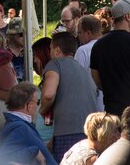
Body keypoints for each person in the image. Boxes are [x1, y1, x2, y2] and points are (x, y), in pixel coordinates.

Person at [40, 32, 98, 163]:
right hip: (91, 132)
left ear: (57, 50)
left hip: (68, 133)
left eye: (50, 49)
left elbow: (48, 94)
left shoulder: (55, 64)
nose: (49, 53)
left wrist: (42, 109)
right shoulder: (83, 69)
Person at [0, 82, 57, 165]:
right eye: (38, 102)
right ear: (29, 106)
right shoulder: (19, 127)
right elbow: (4, 158)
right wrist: (34, 151)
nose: (37, 106)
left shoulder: (16, 124)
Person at [75, 15, 104, 111]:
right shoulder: (111, 46)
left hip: (91, 103)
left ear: (88, 33)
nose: (77, 36)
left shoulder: (82, 50)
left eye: (79, 32)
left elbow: (78, 79)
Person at [6, 17, 25, 82]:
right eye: (21, 34)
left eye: (26, 33)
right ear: (12, 35)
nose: (25, 37)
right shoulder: (4, 54)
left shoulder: (29, 52)